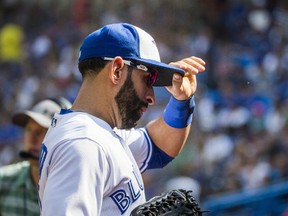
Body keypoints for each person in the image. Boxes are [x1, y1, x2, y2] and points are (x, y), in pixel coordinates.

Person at [38, 22, 206, 215]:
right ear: (117, 70)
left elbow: (159, 146)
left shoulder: (98, 132)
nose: (152, 97)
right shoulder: (84, 144)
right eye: (148, 80)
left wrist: (180, 101)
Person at [0, 97, 71, 216]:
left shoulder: (74, 188)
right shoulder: (4, 181)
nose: (31, 139)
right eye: (29, 129)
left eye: (40, 132)